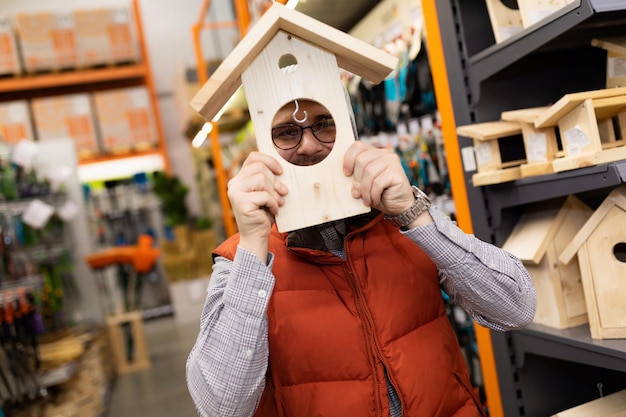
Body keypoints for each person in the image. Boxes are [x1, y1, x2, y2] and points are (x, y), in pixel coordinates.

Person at [186, 98, 536, 417]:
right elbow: (222, 407)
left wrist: (413, 213)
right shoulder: (241, 260)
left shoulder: (404, 225)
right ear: (263, 145)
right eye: (287, 132)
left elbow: (516, 306)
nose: (309, 144)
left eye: (324, 124)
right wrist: (253, 244)